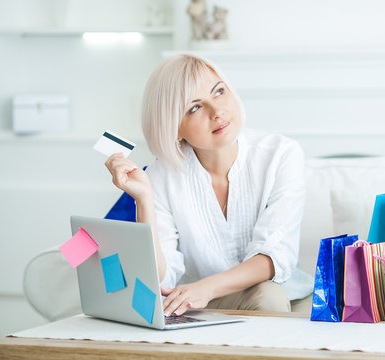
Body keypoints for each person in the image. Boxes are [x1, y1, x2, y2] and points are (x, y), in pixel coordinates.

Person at [105, 54, 313, 316]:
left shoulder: (281, 154)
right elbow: (159, 279)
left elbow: (273, 258)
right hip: (202, 303)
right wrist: (143, 199)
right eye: (195, 107)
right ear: (174, 128)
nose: (217, 111)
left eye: (219, 91)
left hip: (285, 294)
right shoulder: (161, 177)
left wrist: (204, 289)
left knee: (268, 294)